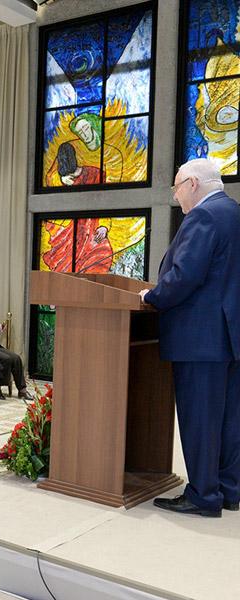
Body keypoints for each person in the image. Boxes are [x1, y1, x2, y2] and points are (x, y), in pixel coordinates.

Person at [139, 158, 240, 518]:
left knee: (200, 418)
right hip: (230, 336)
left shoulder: (203, 216)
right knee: (229, 419)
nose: (176, 195)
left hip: (200, 337)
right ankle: (229, 491)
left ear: (193, 184)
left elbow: (184, 275)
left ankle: (202, 496)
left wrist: (152, 297)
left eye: (177, 187)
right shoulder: (234, 213)